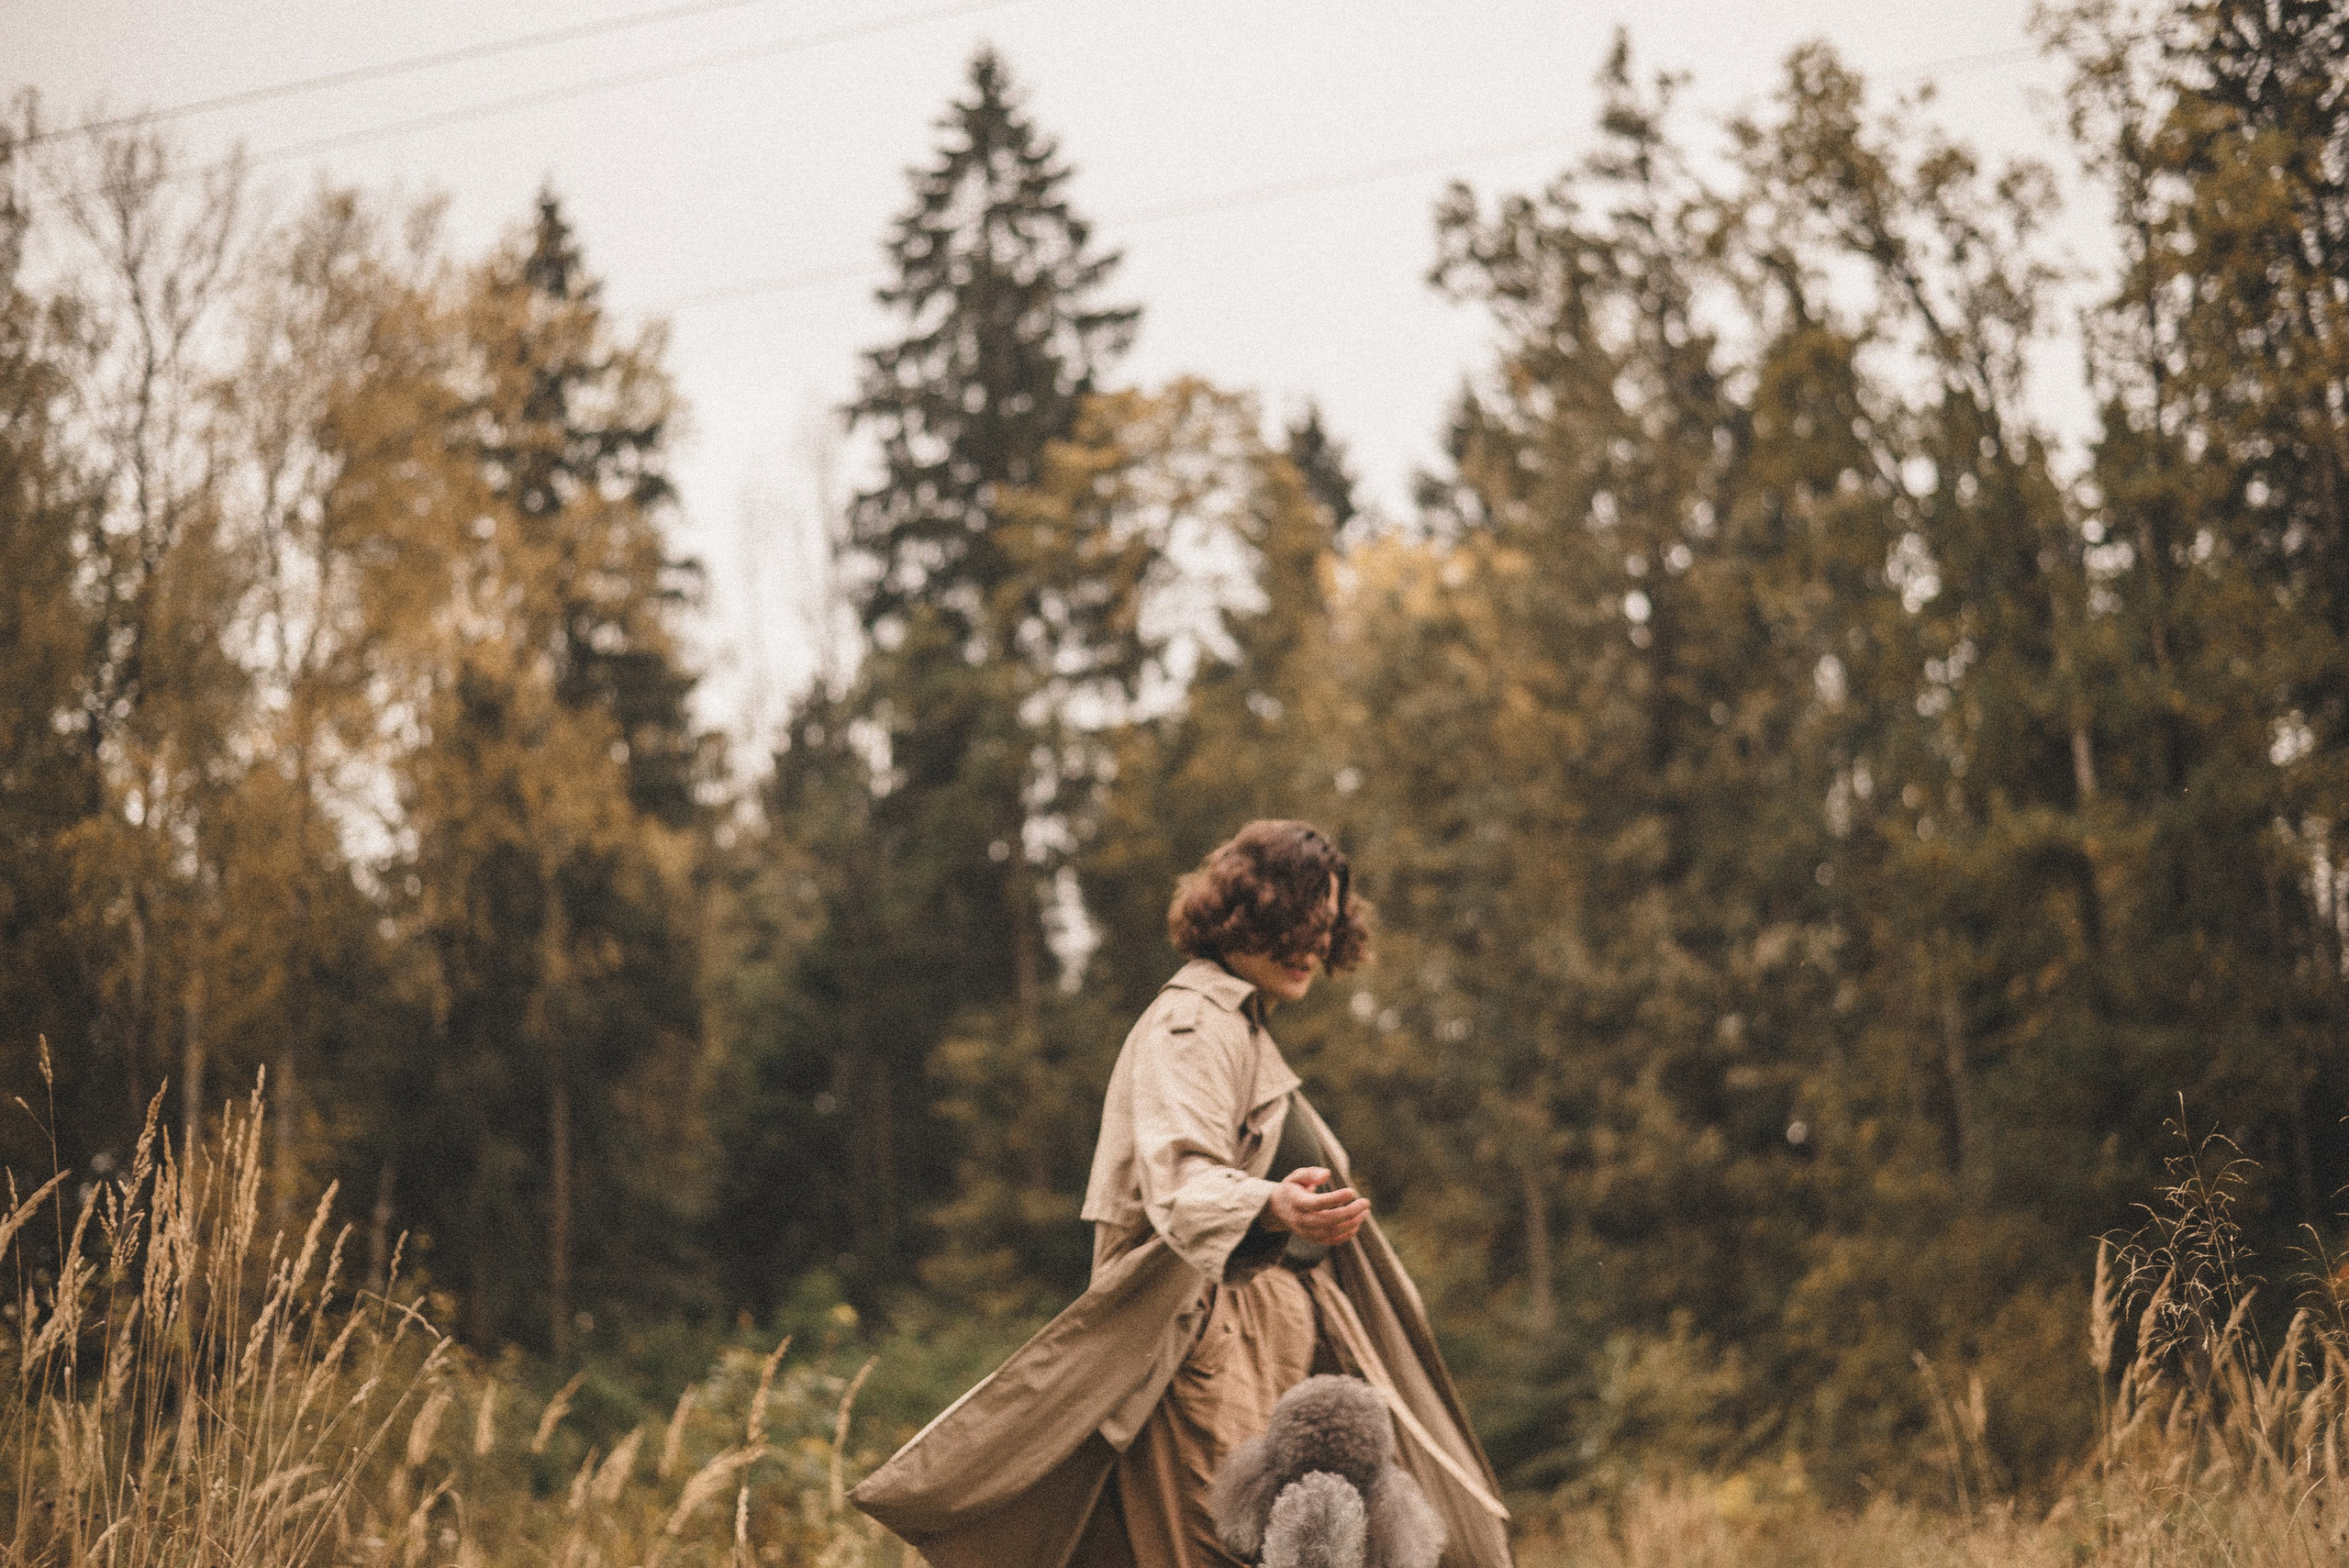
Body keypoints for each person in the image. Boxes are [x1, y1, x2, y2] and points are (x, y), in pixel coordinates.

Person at [852, 821, 1511, 1568]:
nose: (1311, 946)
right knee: (1214, 1553)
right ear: (1242, 915)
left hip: (1263, 1334)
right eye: (1292, 922)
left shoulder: (1244, 1025)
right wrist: (1271, 1203)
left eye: (1324, 929)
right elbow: (1181, 1179)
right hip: (1206, 1330)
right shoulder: (1192, 1022)